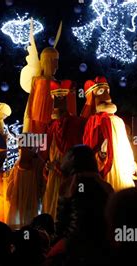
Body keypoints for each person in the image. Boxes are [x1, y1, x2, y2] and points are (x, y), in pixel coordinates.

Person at [82, 76, 137, 192]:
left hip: (122, 172)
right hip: (107, 172)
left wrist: (131, 162)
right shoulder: (94, 121)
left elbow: (125, 145)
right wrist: (101, 155)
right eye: (101, 92)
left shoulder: (118, 120)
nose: (106, 96)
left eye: (107, 91)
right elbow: (88, 148)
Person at [43, 80, 84, 220]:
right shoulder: (52, 125)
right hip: (55, 170)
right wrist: (48, 165)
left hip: (67, 168)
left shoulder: (75, 123)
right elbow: (48, 148)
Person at [6, 147, 44, 227]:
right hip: (24, 197)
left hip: (28, 197)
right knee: (27, 217)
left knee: (27, 217)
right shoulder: (19, 165)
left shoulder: (35, 163)